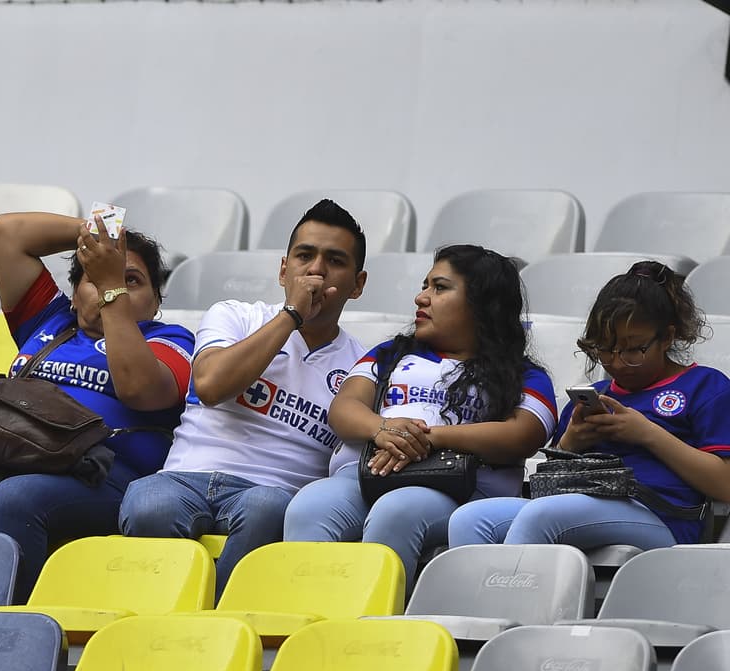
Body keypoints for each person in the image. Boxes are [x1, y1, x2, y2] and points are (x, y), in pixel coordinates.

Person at [0, 212, 195, 596]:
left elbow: (140, 389)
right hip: (1, 461)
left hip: (97, 475)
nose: (116, 288)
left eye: (132, 281)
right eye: (95, 278)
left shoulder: (169, 339)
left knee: (15, 499)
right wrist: (98, 235)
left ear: (155, 302)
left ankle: (0, 623)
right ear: (74, 295)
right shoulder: (49, 321)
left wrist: (111, 291)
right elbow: (8, 234)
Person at [117, 200, 369, 594]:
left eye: (334, 260)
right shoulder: (234, 315)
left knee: (265, 511)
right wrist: (290, 318)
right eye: (305, 256)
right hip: (184, 477)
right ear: (284, 269)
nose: (316, 269)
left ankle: (216, 625)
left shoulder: (362, 363)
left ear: (357, 284)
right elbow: (211, 386)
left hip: (273, 490)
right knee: (149, 504)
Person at [282, 244, 556, 582]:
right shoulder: (389, 354)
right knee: (310, 505)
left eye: (439, 288)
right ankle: (310, 617)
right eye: (425, 285)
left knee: (398, 511)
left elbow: (524, 435)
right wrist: (383, 429)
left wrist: (429, 438)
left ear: (483, 304)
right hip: (365, 477)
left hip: (460, 492)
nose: (421, 298)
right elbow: (343, 409)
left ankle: (374, 623)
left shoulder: (523, 374)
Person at [449, 261, 730, 550]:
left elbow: (725, 485)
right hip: (584, 503)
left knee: (542, 515)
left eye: (634, 350)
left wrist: (647, 433)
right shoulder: (591, 397)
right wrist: (570, 443)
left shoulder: (705, 386)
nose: (618, 363)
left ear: (667, 338)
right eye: (606, 350)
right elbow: (553, 483)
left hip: (662, 517)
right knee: (470, 519)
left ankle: (517, 595)